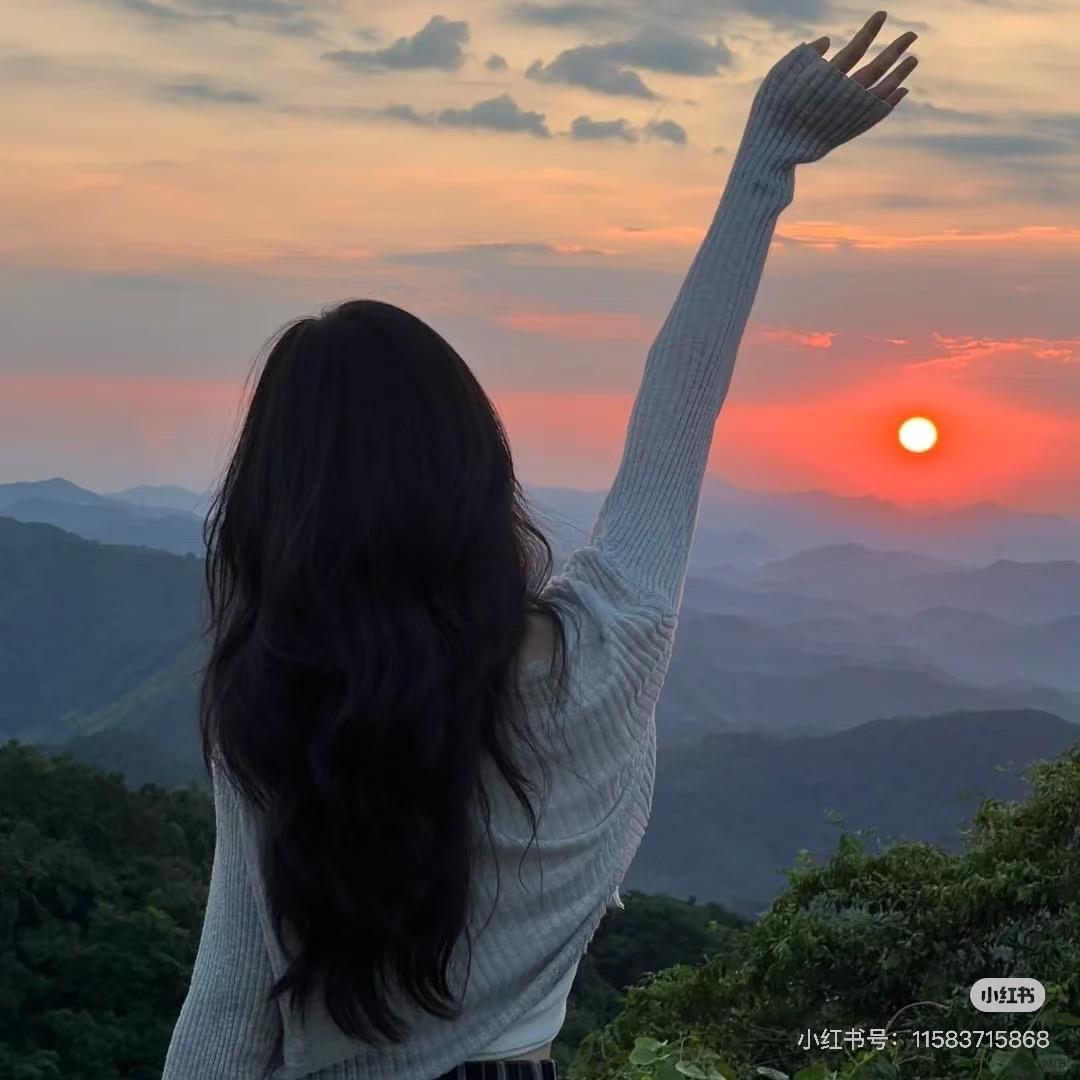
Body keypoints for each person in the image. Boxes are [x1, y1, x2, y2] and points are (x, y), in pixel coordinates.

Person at [162, 11, 919, 1079]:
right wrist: (767, 160)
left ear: (274, 508)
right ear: (476, 467)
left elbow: (227, 1014)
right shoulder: (610, 645)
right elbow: (678, 410)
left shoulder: (279, 708)